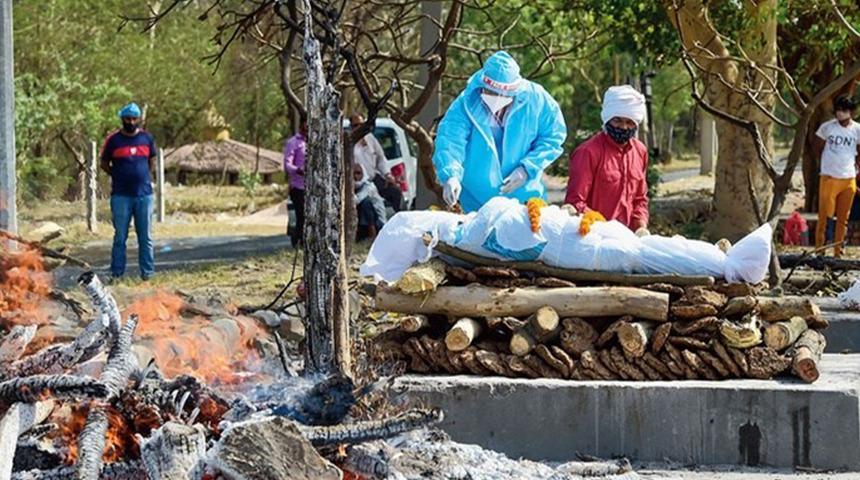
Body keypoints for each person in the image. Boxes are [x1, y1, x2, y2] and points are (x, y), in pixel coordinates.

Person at [433, 51, 566, 212]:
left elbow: (553, 136)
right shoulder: (466, 103)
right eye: (490, 92)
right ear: (482, 86)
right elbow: (450, 140)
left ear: (515, 91)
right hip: (477, 200)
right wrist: (451, 175)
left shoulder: (536, 100)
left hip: (525, 197)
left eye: (503, 95)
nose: (496, 98)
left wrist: (527, 168)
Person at [564, 85, 650, 235]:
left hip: (629, 239)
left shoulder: (640, 151)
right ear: (608, 119)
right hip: (595, 237)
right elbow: (575, 203)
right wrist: (605, 228)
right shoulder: (588, 152)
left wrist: (640, 226)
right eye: (617, 121)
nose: (623, 127)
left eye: (629, 122)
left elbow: (640, 199)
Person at [99, 102, 157, 281]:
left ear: (138, 119)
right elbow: (104, 163)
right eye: (127, 119)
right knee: (120, 237)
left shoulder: (147, 138)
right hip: (121, 195)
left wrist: (143, 175)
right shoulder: (113, 140)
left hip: (144, 195)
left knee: (145, 237)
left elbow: (152, 160)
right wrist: (117, 174)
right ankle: (117, 273)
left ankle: (147, 273)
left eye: (133, 119)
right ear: (122, 119)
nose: (130, 122)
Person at [814, 95, 860, 257]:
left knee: (843, 219)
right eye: (838, 110)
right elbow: (817, 146)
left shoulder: (857, 129)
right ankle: (820, 250)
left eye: (844, 110)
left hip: (848, 178)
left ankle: (838, 252)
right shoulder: (827, 127)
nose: (840, 113)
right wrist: (827, 162)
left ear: (851, 111)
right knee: (824, 216)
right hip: (829, 177)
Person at [350, 114, 404, 212]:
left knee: (395, 192)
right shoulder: (349, 142)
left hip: (373, 178)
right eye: (355, 125)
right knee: (366, 203)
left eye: (361, 125)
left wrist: (387, 174)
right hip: (357, 182)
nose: (359, 128)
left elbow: (380, 158)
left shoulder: (370, 139)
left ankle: (398, 217)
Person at [283, 119, 307, 247]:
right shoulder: (293, 142)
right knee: (301, 216)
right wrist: (298, 170)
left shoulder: (316, 141)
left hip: (313, 186)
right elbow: (287, 164)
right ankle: (299, 243)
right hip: (298, 186)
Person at [354, 163, 387, 241]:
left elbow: (356, 200)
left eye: (358, 173)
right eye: (353, 174)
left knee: (365, 203)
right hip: (360, 223)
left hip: (378, 223)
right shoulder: (355, 187)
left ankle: (372, 234)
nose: (355, 176)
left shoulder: (369, 186)